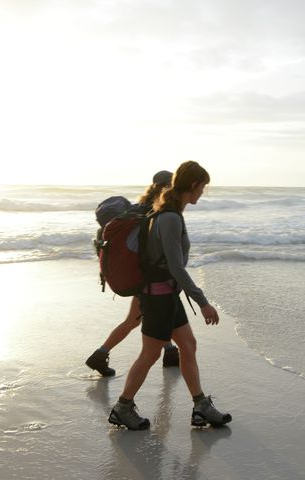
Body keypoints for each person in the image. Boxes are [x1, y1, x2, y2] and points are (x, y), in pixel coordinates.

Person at [108, 160, 232, 430]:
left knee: (188, 346)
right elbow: (176, 268)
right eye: (203, 187)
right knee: (150, 355)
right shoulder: (170, 218)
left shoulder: (167, 212)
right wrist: (204, 302)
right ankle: (122, 407)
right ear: (193, 185)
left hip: (167, 296)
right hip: (158, 298)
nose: (203, 193)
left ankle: (201, 407)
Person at [85, 170, 180, 376]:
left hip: (141, 275)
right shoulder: (156, 212)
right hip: (147, 277)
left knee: (146, 318)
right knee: (139, 319)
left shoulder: (138, 208)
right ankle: (100, 356)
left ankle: (170, 352)